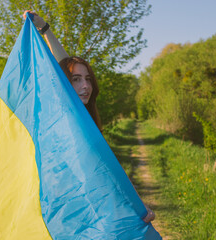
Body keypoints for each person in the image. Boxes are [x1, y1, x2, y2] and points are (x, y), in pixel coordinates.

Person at [23, 10, 155, 223]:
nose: (85, 86)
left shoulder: (87, 120)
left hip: (90, 206)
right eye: (76, 80)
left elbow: (109, 167)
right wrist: (44, 28)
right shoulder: (61, 116)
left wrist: (138, 203)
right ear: (65, 83)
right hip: (63, 210)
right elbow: (63, 63)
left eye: (88, 79)